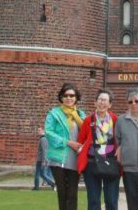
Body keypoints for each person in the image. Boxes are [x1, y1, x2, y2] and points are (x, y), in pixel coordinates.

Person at [45, 82, 85, 210]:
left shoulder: (81, 115)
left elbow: (87, 133)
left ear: (76, 97)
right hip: (58, 159)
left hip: (75, 159)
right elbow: (49, 133)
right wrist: (68, 142)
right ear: (61, 97)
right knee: (62, 194)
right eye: (65, 95)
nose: (69, 98)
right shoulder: (54, 113)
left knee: (73, 194)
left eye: (72, 95)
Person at [78, 89, 120, 210]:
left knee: (111, 201)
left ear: (110, 104)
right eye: (100, 100)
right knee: (93, 202)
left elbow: (121, 140)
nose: (102, 103)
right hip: (92, 164)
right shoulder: (88, 121)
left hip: (111, 163)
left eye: (105, 100)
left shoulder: (116, 120)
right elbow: (81, 141)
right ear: (95, 102)